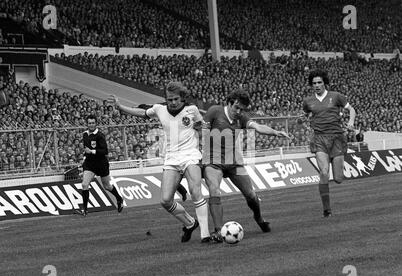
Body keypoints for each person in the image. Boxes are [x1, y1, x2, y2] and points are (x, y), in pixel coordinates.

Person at [109, 82, 211, 243]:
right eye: (170, 99)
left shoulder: (192, 110)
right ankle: (190, 223)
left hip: (191, 155)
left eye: (176, 99)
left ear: (182, 98)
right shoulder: (159, 109)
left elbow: (201, 127)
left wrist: (203, 133)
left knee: (195, 191)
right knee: (165, 200)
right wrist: (121, 107)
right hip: (171, 158)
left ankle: (205, 235)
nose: (173, 102)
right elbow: (142, 112)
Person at [202, 88, 290, 242]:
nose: (239, 111)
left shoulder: (241, 118)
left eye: (242, 109)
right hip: (213, 161)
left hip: (234, 162)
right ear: (229, 103)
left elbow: (257, 127)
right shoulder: (214, 111)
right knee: (214, 190)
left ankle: (259, 218)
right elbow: (202, 131)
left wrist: (275, 132)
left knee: (250, 194)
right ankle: (218, 231)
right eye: (236, 107)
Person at [302, 69, 356, 217]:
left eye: (319, 82)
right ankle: (327, 210)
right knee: (324, 172)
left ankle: (335, 161)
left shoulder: (336, 96)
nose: (317, 85)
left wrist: (351, 121)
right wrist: (303, 120)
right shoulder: (308, 101)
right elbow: (306, 114)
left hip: (336, 138)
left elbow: (351, 110)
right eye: (314, 83)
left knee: (338, 179)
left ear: (325, 83)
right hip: (319, 139)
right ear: (311, 85)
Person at [75, 115, 124, 216]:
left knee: (107, 186)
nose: (91, 125)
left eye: (93, 123)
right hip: (89, 164)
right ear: (87, 124)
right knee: (84, 184)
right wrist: (85, 157)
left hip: (101, 164)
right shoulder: (85, 134)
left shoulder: (100, 135)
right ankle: (84, 210)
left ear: (96, 123)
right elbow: (86, 149)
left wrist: (92, 151)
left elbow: (105, 151)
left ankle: (119, 199)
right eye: (89, 123)